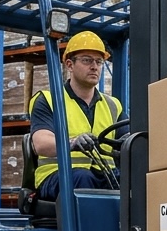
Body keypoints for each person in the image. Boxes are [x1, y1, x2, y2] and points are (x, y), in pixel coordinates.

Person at [28, 30, 125, 201]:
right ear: (69, 65)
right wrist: (73, 142)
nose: (94, 66)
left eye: (99, 61)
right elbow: (41, 144)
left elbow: (127, 137)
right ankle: (90, 228)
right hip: (57, 176)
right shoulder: (48, 100)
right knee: (83, 178)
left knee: (133, 179)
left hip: (103, 175)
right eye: (87, 60)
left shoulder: (113, 105)